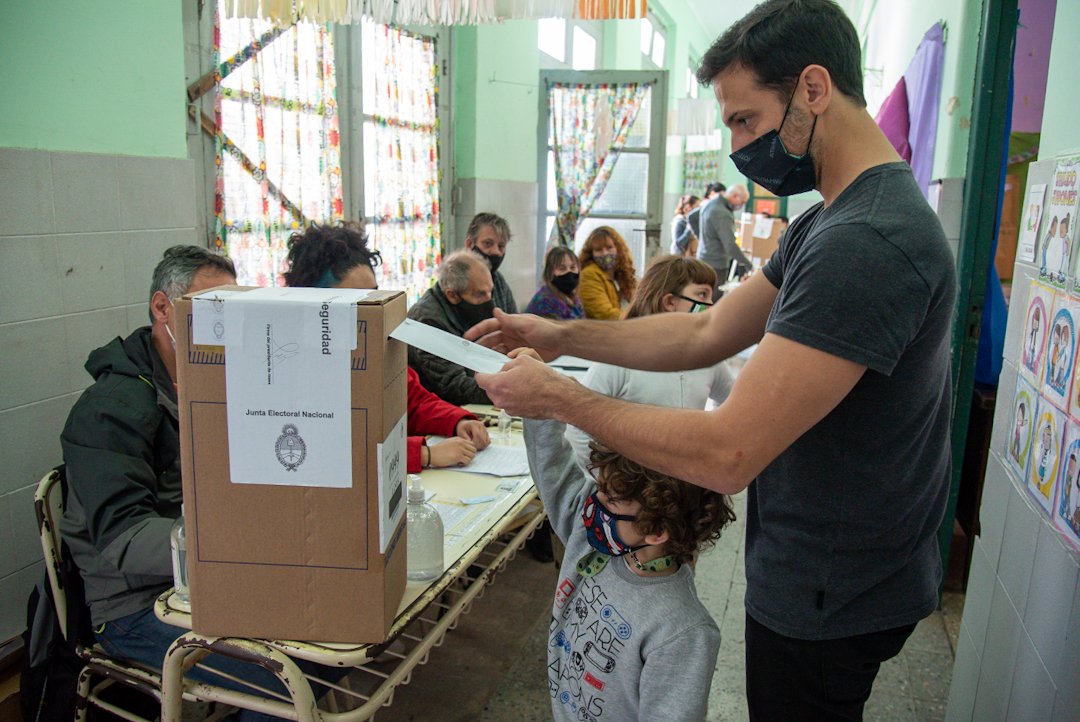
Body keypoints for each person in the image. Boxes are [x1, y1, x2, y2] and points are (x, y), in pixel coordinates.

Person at [467, 1, 957, 717]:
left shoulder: (866, 242)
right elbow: (702, 335)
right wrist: (560, 338)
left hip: (833, 584)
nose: (738, 144)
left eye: (745, 119)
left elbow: (728, 453)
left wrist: (563, 400)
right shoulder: (827, 221)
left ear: (813, 90)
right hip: (824, 561)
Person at [59, 246, 336, 714]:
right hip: (136, 606)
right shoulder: (109, 409)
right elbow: (124, 540)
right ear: (163, 308)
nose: (222, 326)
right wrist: (241, 541)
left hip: (213, 569)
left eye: (232, 310)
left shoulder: (220, 379)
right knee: (288, 675)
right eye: (209, 309)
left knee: (330, 633)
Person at [523, 386, 734, 722]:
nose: (592, 504)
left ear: (656, 530)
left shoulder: (682, 633)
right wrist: (537, 404)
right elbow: (553, 470)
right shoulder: (593, 541)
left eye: (609, 501)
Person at [283, 222, 490, 473]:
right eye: (354, 301)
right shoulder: (293, 362)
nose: (370, 308)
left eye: (373, 295)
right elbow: (330, 446)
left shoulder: (370, 342)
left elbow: (410, 399)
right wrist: (424, 453)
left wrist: (456, 420)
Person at [566, 255, 735, 472]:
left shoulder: (708, 359)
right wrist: (608, 481)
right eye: (702, 294)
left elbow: (734, 403)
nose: (711, 305)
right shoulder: (620, 356)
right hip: (629, 492)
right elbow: (577, 428)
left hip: (683, 489)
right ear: (669, 302)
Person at [407, 250, 496, 406]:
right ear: (452, 295)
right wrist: (510, 390)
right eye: (480, 294)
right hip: (434, 413)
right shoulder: (427, 322)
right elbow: (455, 387)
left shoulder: (461, 309)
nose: (489, 302)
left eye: (490, 292)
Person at [698, 183, 752, 291]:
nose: (741, 206)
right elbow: (730, 245)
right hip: (716, 263)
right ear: (735, 196)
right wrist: (748, 265)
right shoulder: (722, 213)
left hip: (703, 256)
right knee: (713, 298)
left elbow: (692, 218)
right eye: (742, 202)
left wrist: (704, 237)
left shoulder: (709, 203)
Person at [577, 226, 637, 320]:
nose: (605, 253)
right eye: (598, 250)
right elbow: (605, 314)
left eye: (609, 248)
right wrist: (640, 320)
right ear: (591, 253)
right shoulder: (589, 274)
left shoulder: (621, 275)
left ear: (618, 249)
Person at [464, 212, 518, 313]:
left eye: (501, 246)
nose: (496, 252)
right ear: (469, 244)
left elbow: (514, 320)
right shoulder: (454, 281)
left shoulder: (499, 281)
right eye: (488, 243)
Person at [525, 245, 585, 320]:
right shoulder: (545, 303)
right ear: (550, 273)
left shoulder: (572, 297)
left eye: (573, 267)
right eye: (562, 269)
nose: (569, 272)